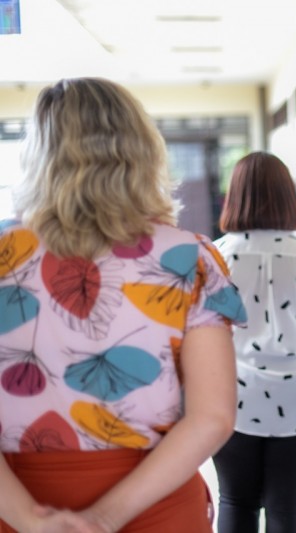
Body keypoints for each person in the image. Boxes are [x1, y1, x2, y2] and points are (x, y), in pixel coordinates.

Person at [0, 77, 246, 532]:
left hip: (14, 503)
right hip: (157, 506)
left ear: (36, 155)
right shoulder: (189, 258)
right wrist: (101, 520)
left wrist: (30, 521)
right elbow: (213, 417)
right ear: (141, 151)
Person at [211, 152, 296, 533]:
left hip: (232, 401)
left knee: (235, 501)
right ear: (289, 196)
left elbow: (196, 339)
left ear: (234, 196)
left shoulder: (215, 259)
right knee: (287, 510)